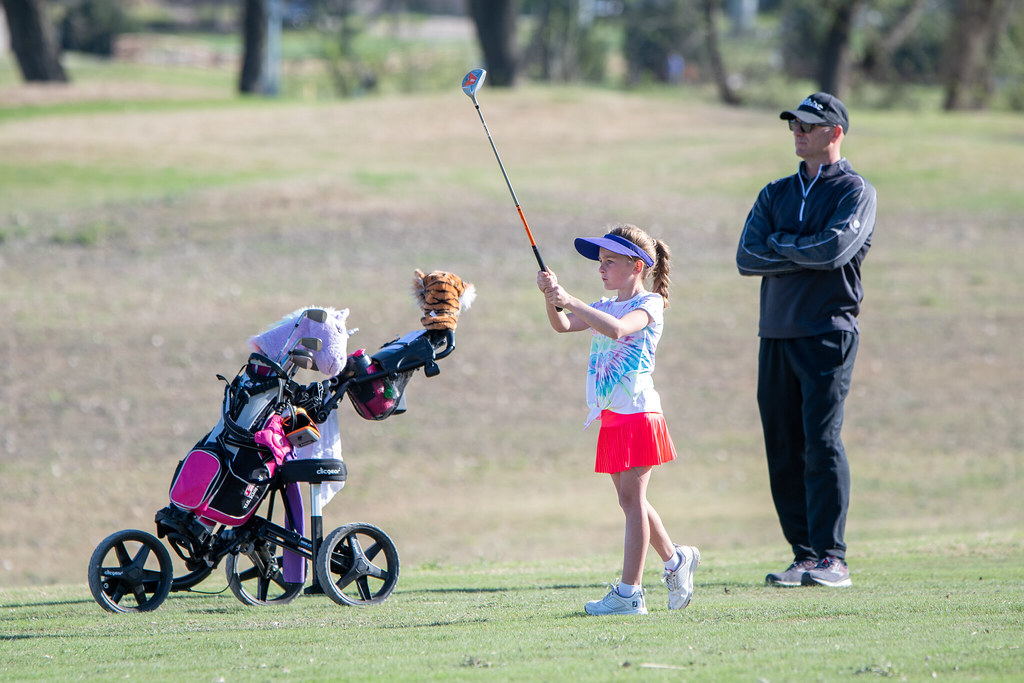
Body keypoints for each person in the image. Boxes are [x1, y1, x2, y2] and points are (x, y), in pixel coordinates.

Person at [736, 92, 877, 588]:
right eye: (794, 124)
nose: (798, 132)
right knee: (783, 447)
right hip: (775, 332)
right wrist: (797, 250)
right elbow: (747, 258)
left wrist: (783, 245)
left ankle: (832, 558)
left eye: (809, 125)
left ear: (834, 133)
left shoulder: (854, 191)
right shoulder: (774, 193)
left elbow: (834, 250)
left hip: (827, 333)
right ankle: (803, 554)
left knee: (821, 443)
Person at [537, 224, 699, 615]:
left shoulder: (650, 304)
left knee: (633, 502)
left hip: (641, 412)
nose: (601, 268)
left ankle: (630, 594)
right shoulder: (604, 304)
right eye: (600, 262)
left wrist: (570, 299)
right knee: (630, 500)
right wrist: (551, 298)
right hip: (611, 414)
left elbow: (617, 330)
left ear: (637, 265)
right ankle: (677, 560)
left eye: (609, 261)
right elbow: (562, 325)